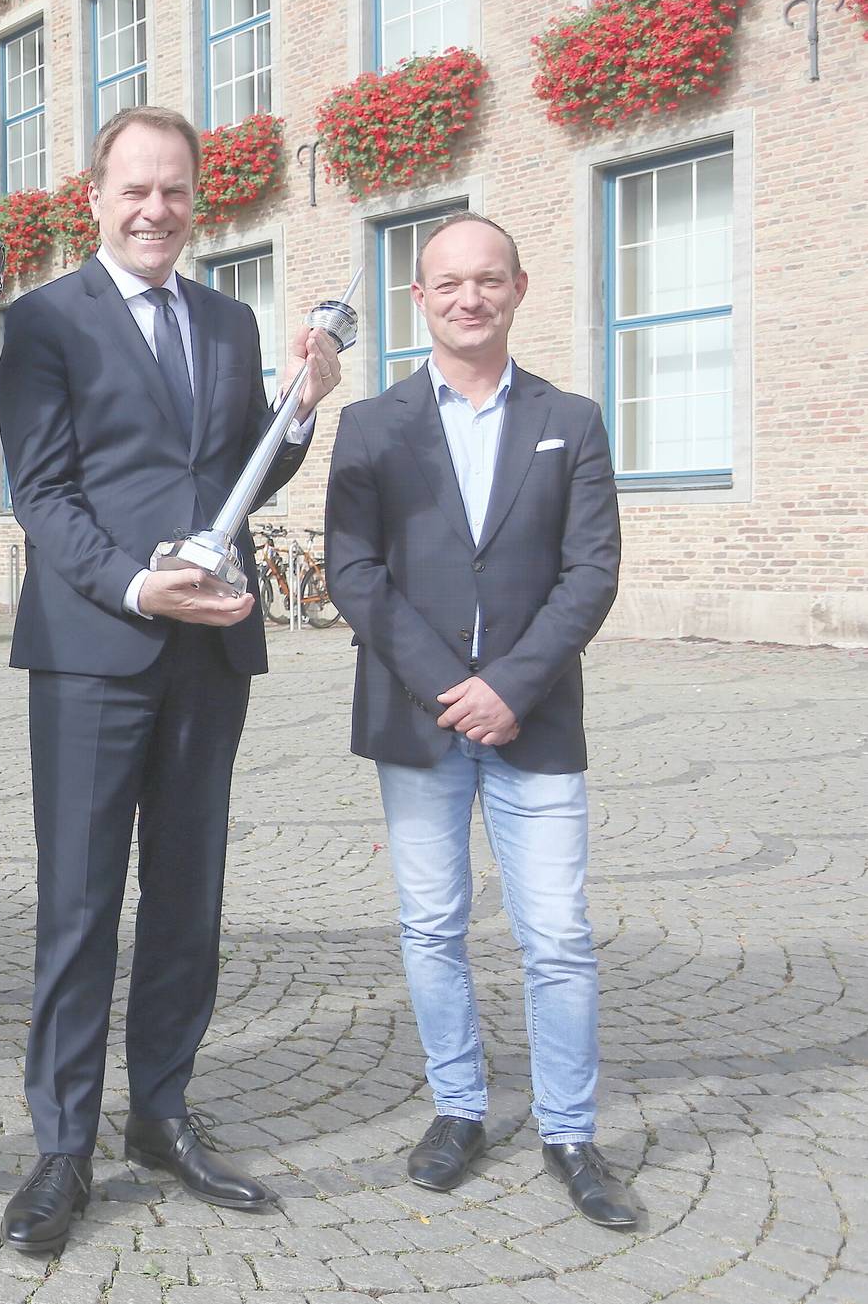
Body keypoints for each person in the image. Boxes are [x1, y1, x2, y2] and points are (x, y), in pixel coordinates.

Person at [0, 105, 342, 1253]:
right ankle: (62, 1144)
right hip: (97, 648)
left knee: (188, 896)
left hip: (210, 657)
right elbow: (44, 496)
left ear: (199, 201)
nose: (155, 210)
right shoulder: (45, 322)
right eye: (135, 190)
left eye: (176, 192)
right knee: (82, 902)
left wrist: (303, 407)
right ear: (95, 194)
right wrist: (138, 589)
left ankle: (164, 1113)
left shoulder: (231, 322)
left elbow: (244, 467)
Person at [323, 213, 632, 1228]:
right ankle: (457, 1107)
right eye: (449, 283)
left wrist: (513, 683)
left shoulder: (572, 419)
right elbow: (355, 569)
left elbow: (592, 571)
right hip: (420, 722)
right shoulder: (372, 425)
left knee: (557, 936)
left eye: (488, 280)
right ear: (420, 299)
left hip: (533, 720)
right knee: (432, 924)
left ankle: (571, 1131)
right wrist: (445, 683)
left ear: (519, 288)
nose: (469, 297)